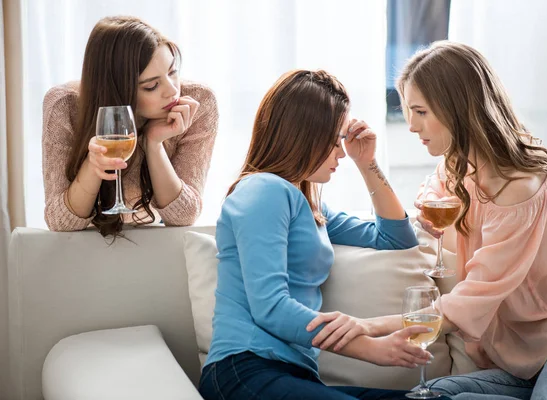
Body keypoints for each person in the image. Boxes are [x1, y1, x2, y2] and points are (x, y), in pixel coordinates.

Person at [310, 41, 547, 399]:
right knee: (434, 395)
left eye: (420, 111)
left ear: (457, 109)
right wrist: (368, 164)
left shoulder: (521, 189)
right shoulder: (456, 168)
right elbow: (414, 213)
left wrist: (367, 326)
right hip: (514, 366)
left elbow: (470, 300)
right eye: (407, 111)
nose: (412, 125)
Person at [199, 69, 452, 400]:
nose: (341, 153)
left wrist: (368, 163)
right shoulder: (263, 190)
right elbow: (270, 307)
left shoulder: (308, 205)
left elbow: (396, 238)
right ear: (303, 135)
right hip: (245, 371)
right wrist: (371, 349)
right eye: (334, 141)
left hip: (292, 375)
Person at [42, 16, 218, 237]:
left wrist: (153, 144)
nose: (172, 90)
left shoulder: (197, 103)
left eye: (173, 72)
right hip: (87, 256)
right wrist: (93, 165)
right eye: (152, 86)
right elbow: (60, 222)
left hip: (155, 251)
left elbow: (183, 216)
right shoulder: (65, 106)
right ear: (117, 89)